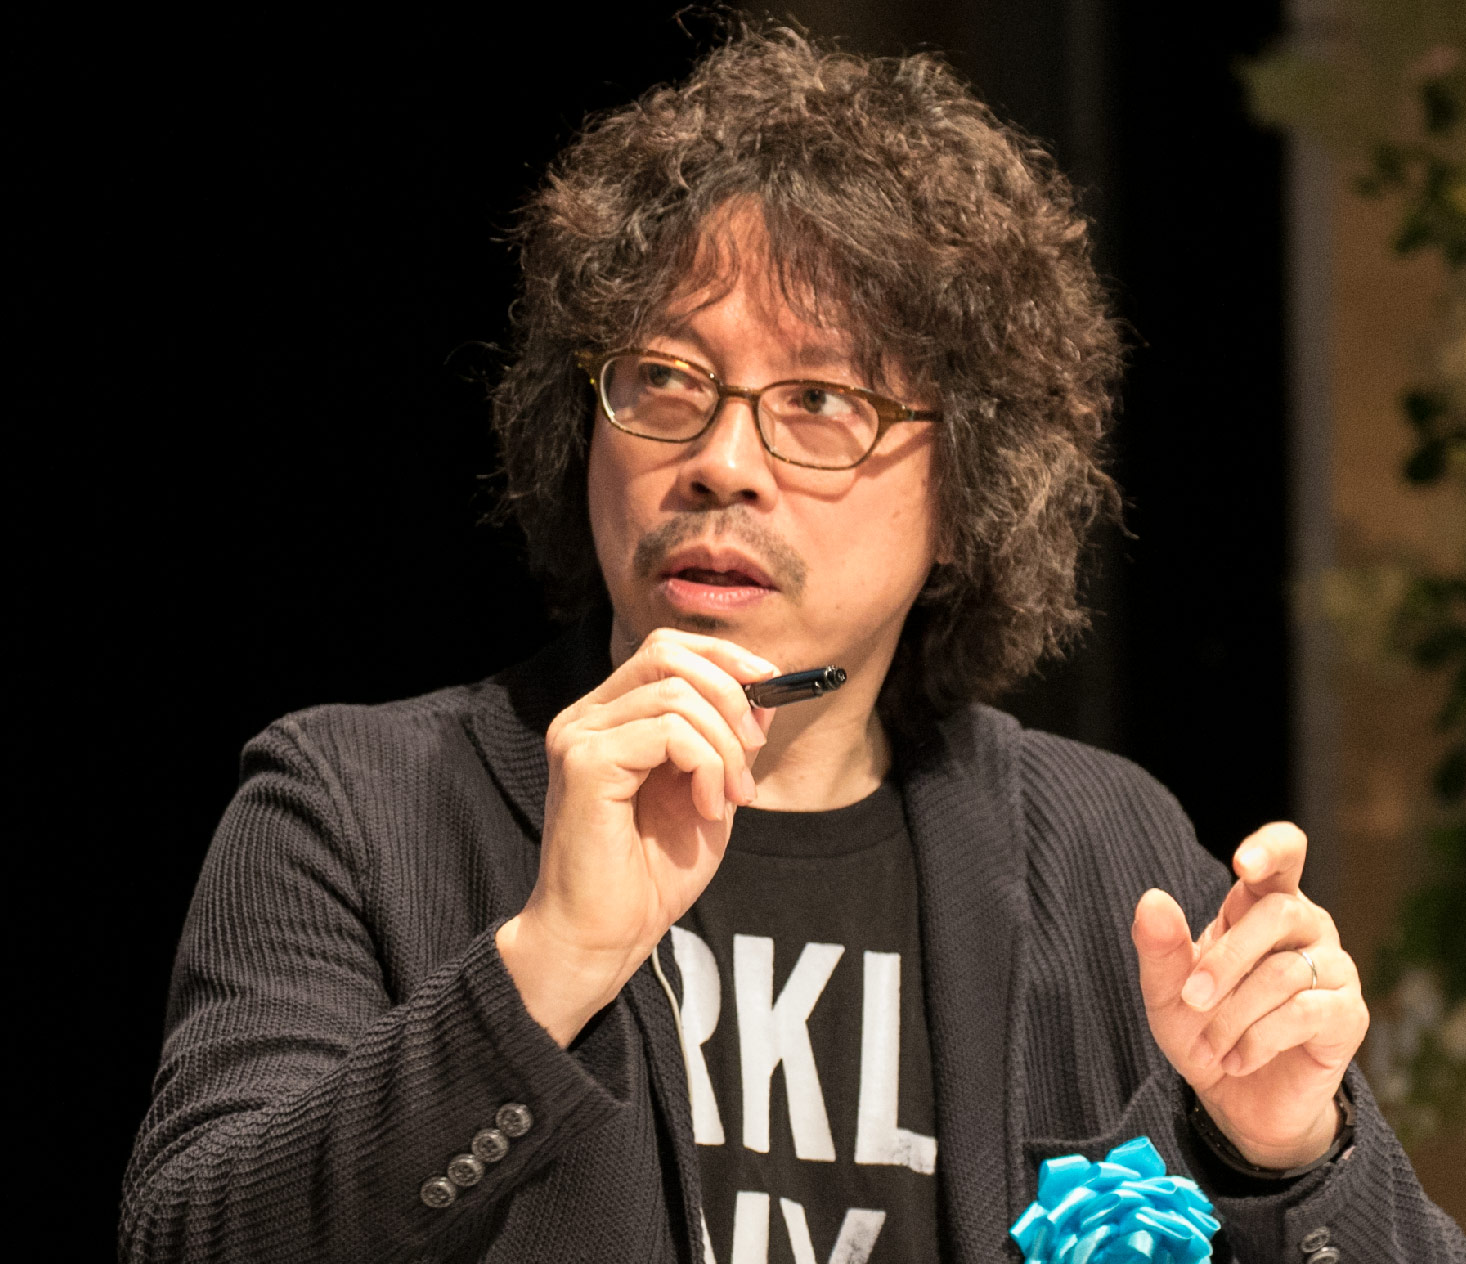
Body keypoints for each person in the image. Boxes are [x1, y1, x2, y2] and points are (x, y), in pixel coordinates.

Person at [119, 26, 1463, 1264]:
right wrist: (542, 969)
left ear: (970, 487)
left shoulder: (1104, 852)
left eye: (817, 400)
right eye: (664, 381)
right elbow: (189, 1238)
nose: (719, 461)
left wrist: (1284, 1155)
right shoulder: (358, 807)